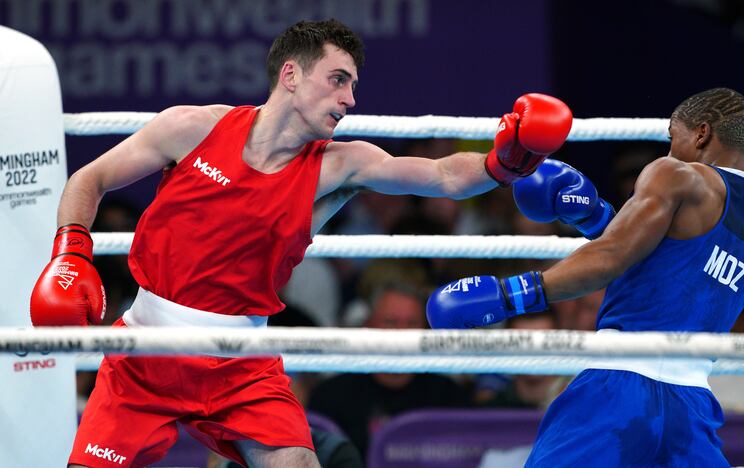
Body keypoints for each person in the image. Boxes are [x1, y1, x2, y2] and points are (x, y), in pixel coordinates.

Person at [27, 19, 573, 468]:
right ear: (291, 74)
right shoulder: (193, 129)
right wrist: (70, 253)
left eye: (353, 85)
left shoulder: (339, 166)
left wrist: (505, 162)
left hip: (241, 367)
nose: (350, 99)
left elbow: (443, 176)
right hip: (144, 354)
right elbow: (89, 179)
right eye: (338, 80)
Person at [427, 87, 744, 466]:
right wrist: (595, 217)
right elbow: (681, 270)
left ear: (702, 133)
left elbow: (613, 255)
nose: (669, 150)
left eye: (672, 137)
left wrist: (511, 294)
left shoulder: (676, 174)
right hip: (693, 404)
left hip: (620, 386)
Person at [308, 283, 470, 458]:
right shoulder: (331, 397)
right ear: (369, 326)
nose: (402, 333)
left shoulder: (448, 397)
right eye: (391, 322)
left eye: (412, 323)